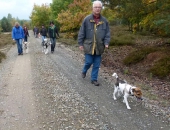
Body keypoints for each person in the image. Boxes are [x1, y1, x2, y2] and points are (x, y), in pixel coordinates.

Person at [78, 0, 110, 86]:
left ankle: (94, 79)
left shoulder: (104, 21)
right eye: (96, 7)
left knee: (96, 64)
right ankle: (84, 71)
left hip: (99, 47)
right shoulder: (87, 19)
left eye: (99, 7)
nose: (97, 9)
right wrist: (80, 43)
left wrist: (106, 42)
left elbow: (107, 33)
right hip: (89, 46)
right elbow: (82, 32)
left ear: (101, 8)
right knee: (88, 62)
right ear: (93, 8)